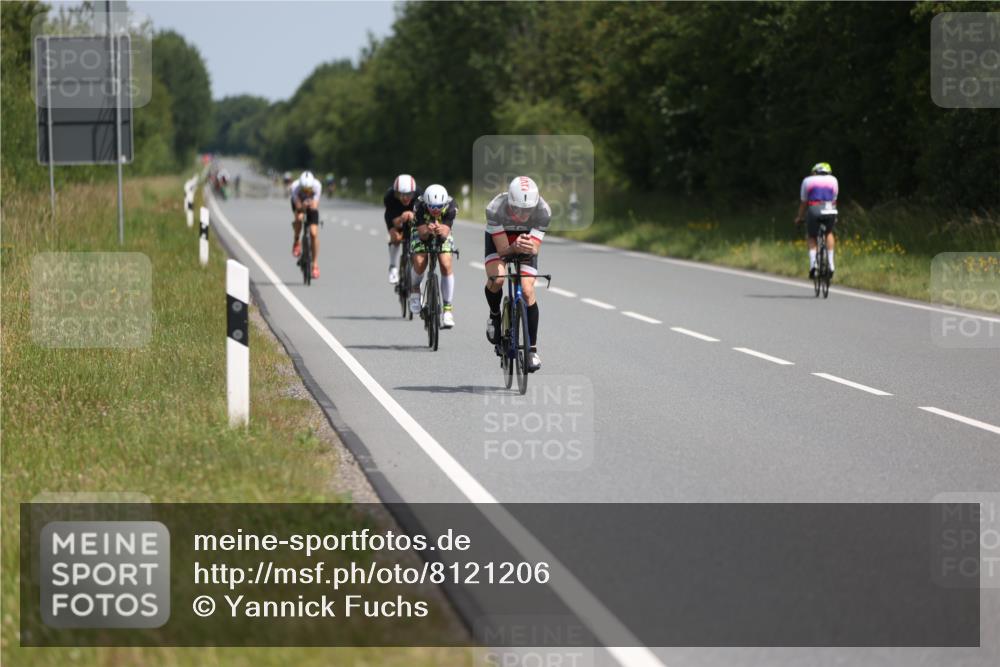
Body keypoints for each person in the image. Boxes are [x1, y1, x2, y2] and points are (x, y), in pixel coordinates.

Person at [484, 176, 551, 372]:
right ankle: (494, 315)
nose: (523, 214)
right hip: (501, 241)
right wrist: (513, 247)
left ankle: (532, 351)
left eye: (527, 210)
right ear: (510, 203)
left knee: (528, 290)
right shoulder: (495, 208)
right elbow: (503, 251)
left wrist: (527, 246)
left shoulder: (543, 211)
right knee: (497, 279)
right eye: (518, 209)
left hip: (525, 243)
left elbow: (534, 248)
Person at [409, 184, 457, 328]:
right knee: (420, 261)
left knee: (446, 263)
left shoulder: (451, 207)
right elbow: (422, 235)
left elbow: (445, 234)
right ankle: (415, 289)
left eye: (439, 207)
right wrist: (428, 231)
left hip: (443, 230)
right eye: (432, 207)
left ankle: (447, 310)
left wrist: (440, 231)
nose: (435, 210)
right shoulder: (419, 206)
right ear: (426, 203)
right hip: (421, 230)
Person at [794, 162, 839, 279]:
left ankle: (813, 265)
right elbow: (834, 200)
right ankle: (831, 264)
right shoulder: (834, 180)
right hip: (830, 210)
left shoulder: (807, 181)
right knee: (829, 232)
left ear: (815, 172)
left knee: (812, 236)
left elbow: (804, 202)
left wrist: (799, 217)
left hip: (814, 209)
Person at [383, 174, 421, 285]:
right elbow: (390, 217)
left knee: (418, 240)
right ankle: (393, 267)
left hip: (414, 213)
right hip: (396, 213)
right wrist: (397, 223)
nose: (405, 198)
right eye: (401, 194)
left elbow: (424, 217)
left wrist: (413, 215)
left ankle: (416, 277)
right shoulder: (389, 197)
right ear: (395, 193)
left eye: (409, 194)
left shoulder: (420, 196)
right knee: (395, 238)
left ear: (413, 193)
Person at [290, 170, 322, 279]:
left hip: (311, 205)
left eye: (309, 190)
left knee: (313, 234)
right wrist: (302, 207)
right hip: (299, 203)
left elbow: (315, 205)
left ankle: (315, 265)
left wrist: (310, 204)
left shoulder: (317, 185)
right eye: (304, 190)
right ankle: (296, 241)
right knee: (299, 218)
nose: (307, 192)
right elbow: (298, 206)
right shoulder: (295, 187)